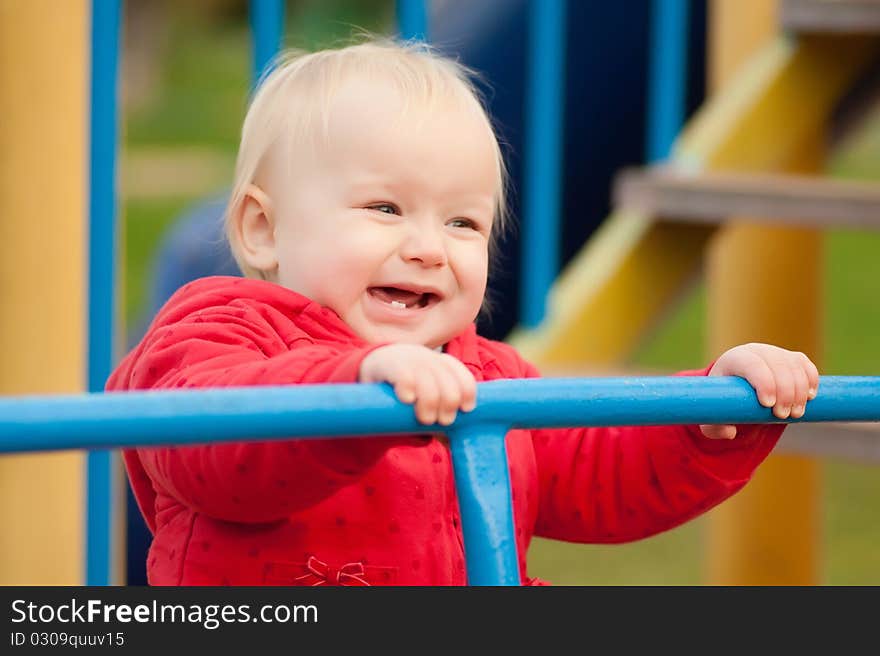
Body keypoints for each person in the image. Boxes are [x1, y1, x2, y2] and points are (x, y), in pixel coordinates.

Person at [107, 39, 819, 586]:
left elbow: (601, 472)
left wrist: (706, 421)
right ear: (264, 229)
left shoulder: (486, 371)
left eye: (463, 225)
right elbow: (212, 450)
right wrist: (356, 385)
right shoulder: (219, 331)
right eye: (385, 209)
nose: (428, 249)